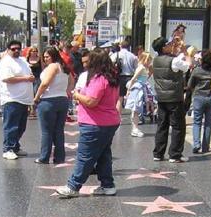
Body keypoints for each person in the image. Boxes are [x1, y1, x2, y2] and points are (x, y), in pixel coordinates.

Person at [56, 48, 121, 198]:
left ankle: (73, 186)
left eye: (90, 61)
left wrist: (77, 95)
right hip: (109, 122)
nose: (86, 64)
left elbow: (92, 101)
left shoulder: (99, 79)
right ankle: (107, 185)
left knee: (85, 156)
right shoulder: (112, 77)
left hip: (95, 124)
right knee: (103, 154)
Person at [152, 36, 190, 163]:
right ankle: (175, 154)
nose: (170, 45)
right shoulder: (173, 61)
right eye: (168, 44)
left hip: (161, 97)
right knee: (178, 126)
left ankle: (158, 153)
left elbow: (174, 59)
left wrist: (176, 51)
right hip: (174, 97)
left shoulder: (155, 60)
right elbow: (187, 66)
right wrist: (185, 52)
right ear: (163, 47)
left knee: (162, 126)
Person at [33, 47, 73, 164]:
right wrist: (67, 91)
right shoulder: (64, 67)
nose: (45, 59)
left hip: (48, 100)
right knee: (59, 130)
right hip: (62, 99)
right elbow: (72, 81)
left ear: (54, 56)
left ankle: (44, 157)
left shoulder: (53, 66)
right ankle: (59, 157)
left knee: (46, 131)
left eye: (47, 56)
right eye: (44, 57)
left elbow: (45, 83)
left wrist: (36, 97)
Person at [0, 40, 35, 160]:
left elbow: (30, 73)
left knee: (21, 126)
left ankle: (15, 147)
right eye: (13, 49)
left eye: (18, 48)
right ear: (8, 50)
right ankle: (8, 148)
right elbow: (7, 78)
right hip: (12, 99)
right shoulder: (5, 62)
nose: (16, 51)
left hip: (24, 99)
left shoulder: (22, 61)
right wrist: (25, 78)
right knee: (11, 126)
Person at [187, 49, 211, 154]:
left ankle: (196, 144)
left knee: (197, 122)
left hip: (198, 97)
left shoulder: (197, 70)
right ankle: (206, 146)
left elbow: (190, 85)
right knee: (208, 124)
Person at [125, 52, 153, 137]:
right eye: (148, 60)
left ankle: (135, 128)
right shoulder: (141, 68)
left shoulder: (143, 68)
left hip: (141, 88)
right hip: (137, 89)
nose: (149, 62)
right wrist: (128, 91)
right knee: (136, 109)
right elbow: (134, 78)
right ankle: (135, 128)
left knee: (137, 109)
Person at [27, 46, 42, 118]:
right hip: (28, 79)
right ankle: (29, 108)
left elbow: (42, 68)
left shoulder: (39, 59)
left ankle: (34, 109)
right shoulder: (27, 59)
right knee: (29, 93)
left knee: (35, 93)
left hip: (37, 78)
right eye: (32, 51)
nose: (34, 52)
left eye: (35, 51)